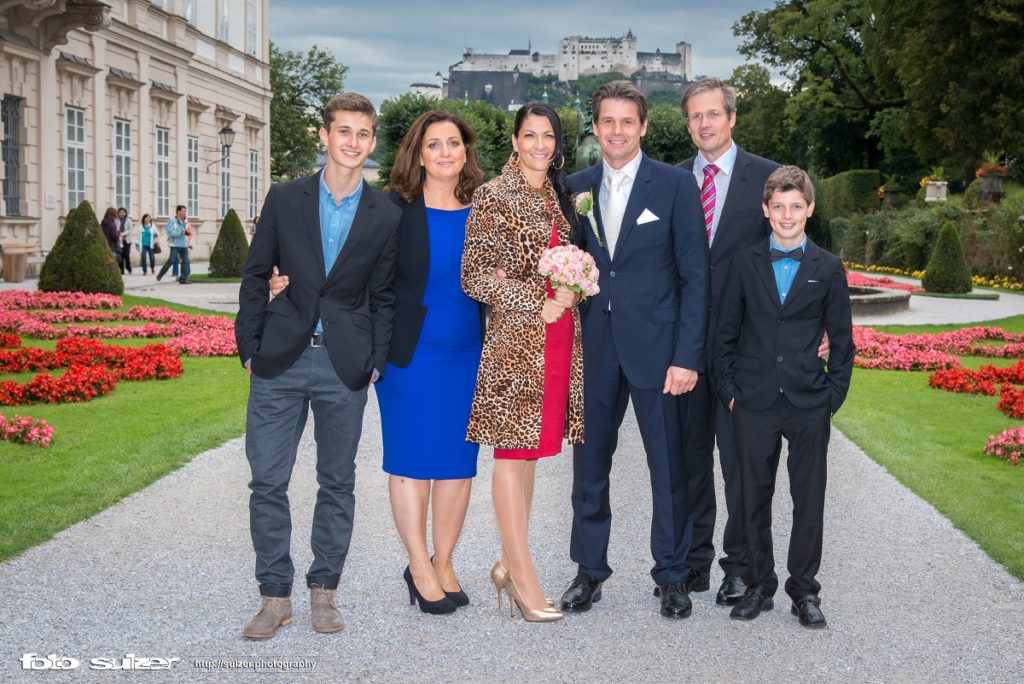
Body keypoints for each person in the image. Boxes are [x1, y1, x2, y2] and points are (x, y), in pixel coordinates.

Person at [269, 111, 486, 616]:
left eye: (454, 143)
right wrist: (278, 284)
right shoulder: (393, 210)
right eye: (434, 144)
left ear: (466, 151)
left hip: (468, 354)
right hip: (408, 356)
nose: (446, 153)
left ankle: (444, 561)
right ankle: (418, 563)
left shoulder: (484, 209)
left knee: (458, 464)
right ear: (418, 153)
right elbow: (344, 270)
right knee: (412, 462)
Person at [234, 92, 400, 639]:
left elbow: (383, 297)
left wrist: (374, 360)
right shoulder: (285, 199)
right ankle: (274, 596)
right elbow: (257, 274)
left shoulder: (386, 214)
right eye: (343, 131)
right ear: (324, 136)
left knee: (337, 482)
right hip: (280, 360)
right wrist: (250, 347)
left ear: (372, 142)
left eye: (363, 134)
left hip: (343, 365)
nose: (352, 142)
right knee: (267, 481)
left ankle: (324, 591)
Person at [560, 81, 708, 619]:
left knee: (667, 468)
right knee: (588, 467)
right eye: (607, 121)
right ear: (595, 128)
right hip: (595, 348)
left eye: (627, 122)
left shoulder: (674, 186)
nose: (617, 131)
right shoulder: (575, 187)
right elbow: (567, 269)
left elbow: (696, 277)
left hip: (660, 351)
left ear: (643, 127)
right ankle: (588, 571)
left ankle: (672, 576)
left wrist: (688, 355)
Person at [711, 165, 854, 628]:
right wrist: (730, 392)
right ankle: (758, 585)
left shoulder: (828, 268)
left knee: (809, 497)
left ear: (810, 209)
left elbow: (844, 341)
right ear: (765, 211)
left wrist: (831, 396)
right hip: (752, 400)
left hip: (809, 400)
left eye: (796, 206)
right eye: (779, 207)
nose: (787, 215)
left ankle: (805, 590)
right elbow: (725, 334)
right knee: (752, 495)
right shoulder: (745, 262)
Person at [462, 102, 584, 623]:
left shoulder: (556, 195)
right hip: (516, 342)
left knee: (531, 454)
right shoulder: (493, 195)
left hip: (558, 338)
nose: (540, 144)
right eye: (529, 135)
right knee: (512, 455)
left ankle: (510, 562)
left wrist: (575, 288)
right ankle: (522, 574)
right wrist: (538, 301)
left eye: (548, 136)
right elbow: (475, 276)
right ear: (513, 141)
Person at [676, 77, 781, 606]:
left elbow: (790, 253)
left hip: (746, 348)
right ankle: (694, 562)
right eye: (695, 116)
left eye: (713, 114)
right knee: (690, 460)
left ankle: (740, 565)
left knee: (741, 462)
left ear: (732, 118)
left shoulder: (767, 178)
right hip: (687, 346)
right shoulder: (670, 182)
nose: (705, 124)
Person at [156, 205, 191, 284]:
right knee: (171, 260)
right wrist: (179, 233)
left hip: (183, 245)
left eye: (185, 211)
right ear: (178, 211)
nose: (185, 213)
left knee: (185, 261)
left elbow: (184, 233)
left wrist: (188, 242)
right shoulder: (172, 221)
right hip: (175, 245)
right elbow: (169, 232)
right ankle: (161, 274)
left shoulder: (185, 221)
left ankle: (183, 279)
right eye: (183, 211)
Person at [117, 207, 133, 275]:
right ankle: (121, 270)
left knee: (126, 255)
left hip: (127, 240)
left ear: (125, 213)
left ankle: (128, 268)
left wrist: (123, 234)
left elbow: (130, 229)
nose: (121, 213)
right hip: (119, 240)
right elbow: (115, 228)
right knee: (120, 255)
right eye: (120, 212)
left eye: (123, 212)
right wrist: (119, 235)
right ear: (118, 213)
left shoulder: (128, 220)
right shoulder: (116, 220)